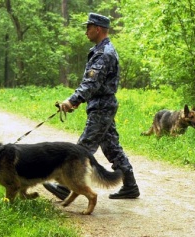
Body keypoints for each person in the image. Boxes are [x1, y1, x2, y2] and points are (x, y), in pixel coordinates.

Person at [43, 13, 140, 199]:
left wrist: (73, 100)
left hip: (102, 106)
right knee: (112, 147)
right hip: (102, 104)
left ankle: (64, 187)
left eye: (88, 27)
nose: (86, 31)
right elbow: (93, 85)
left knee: (82, 148)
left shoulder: (104, 53)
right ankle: (130, 186)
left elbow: (91, 83)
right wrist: (79, 100)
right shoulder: (100, 50)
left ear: (98, 28)